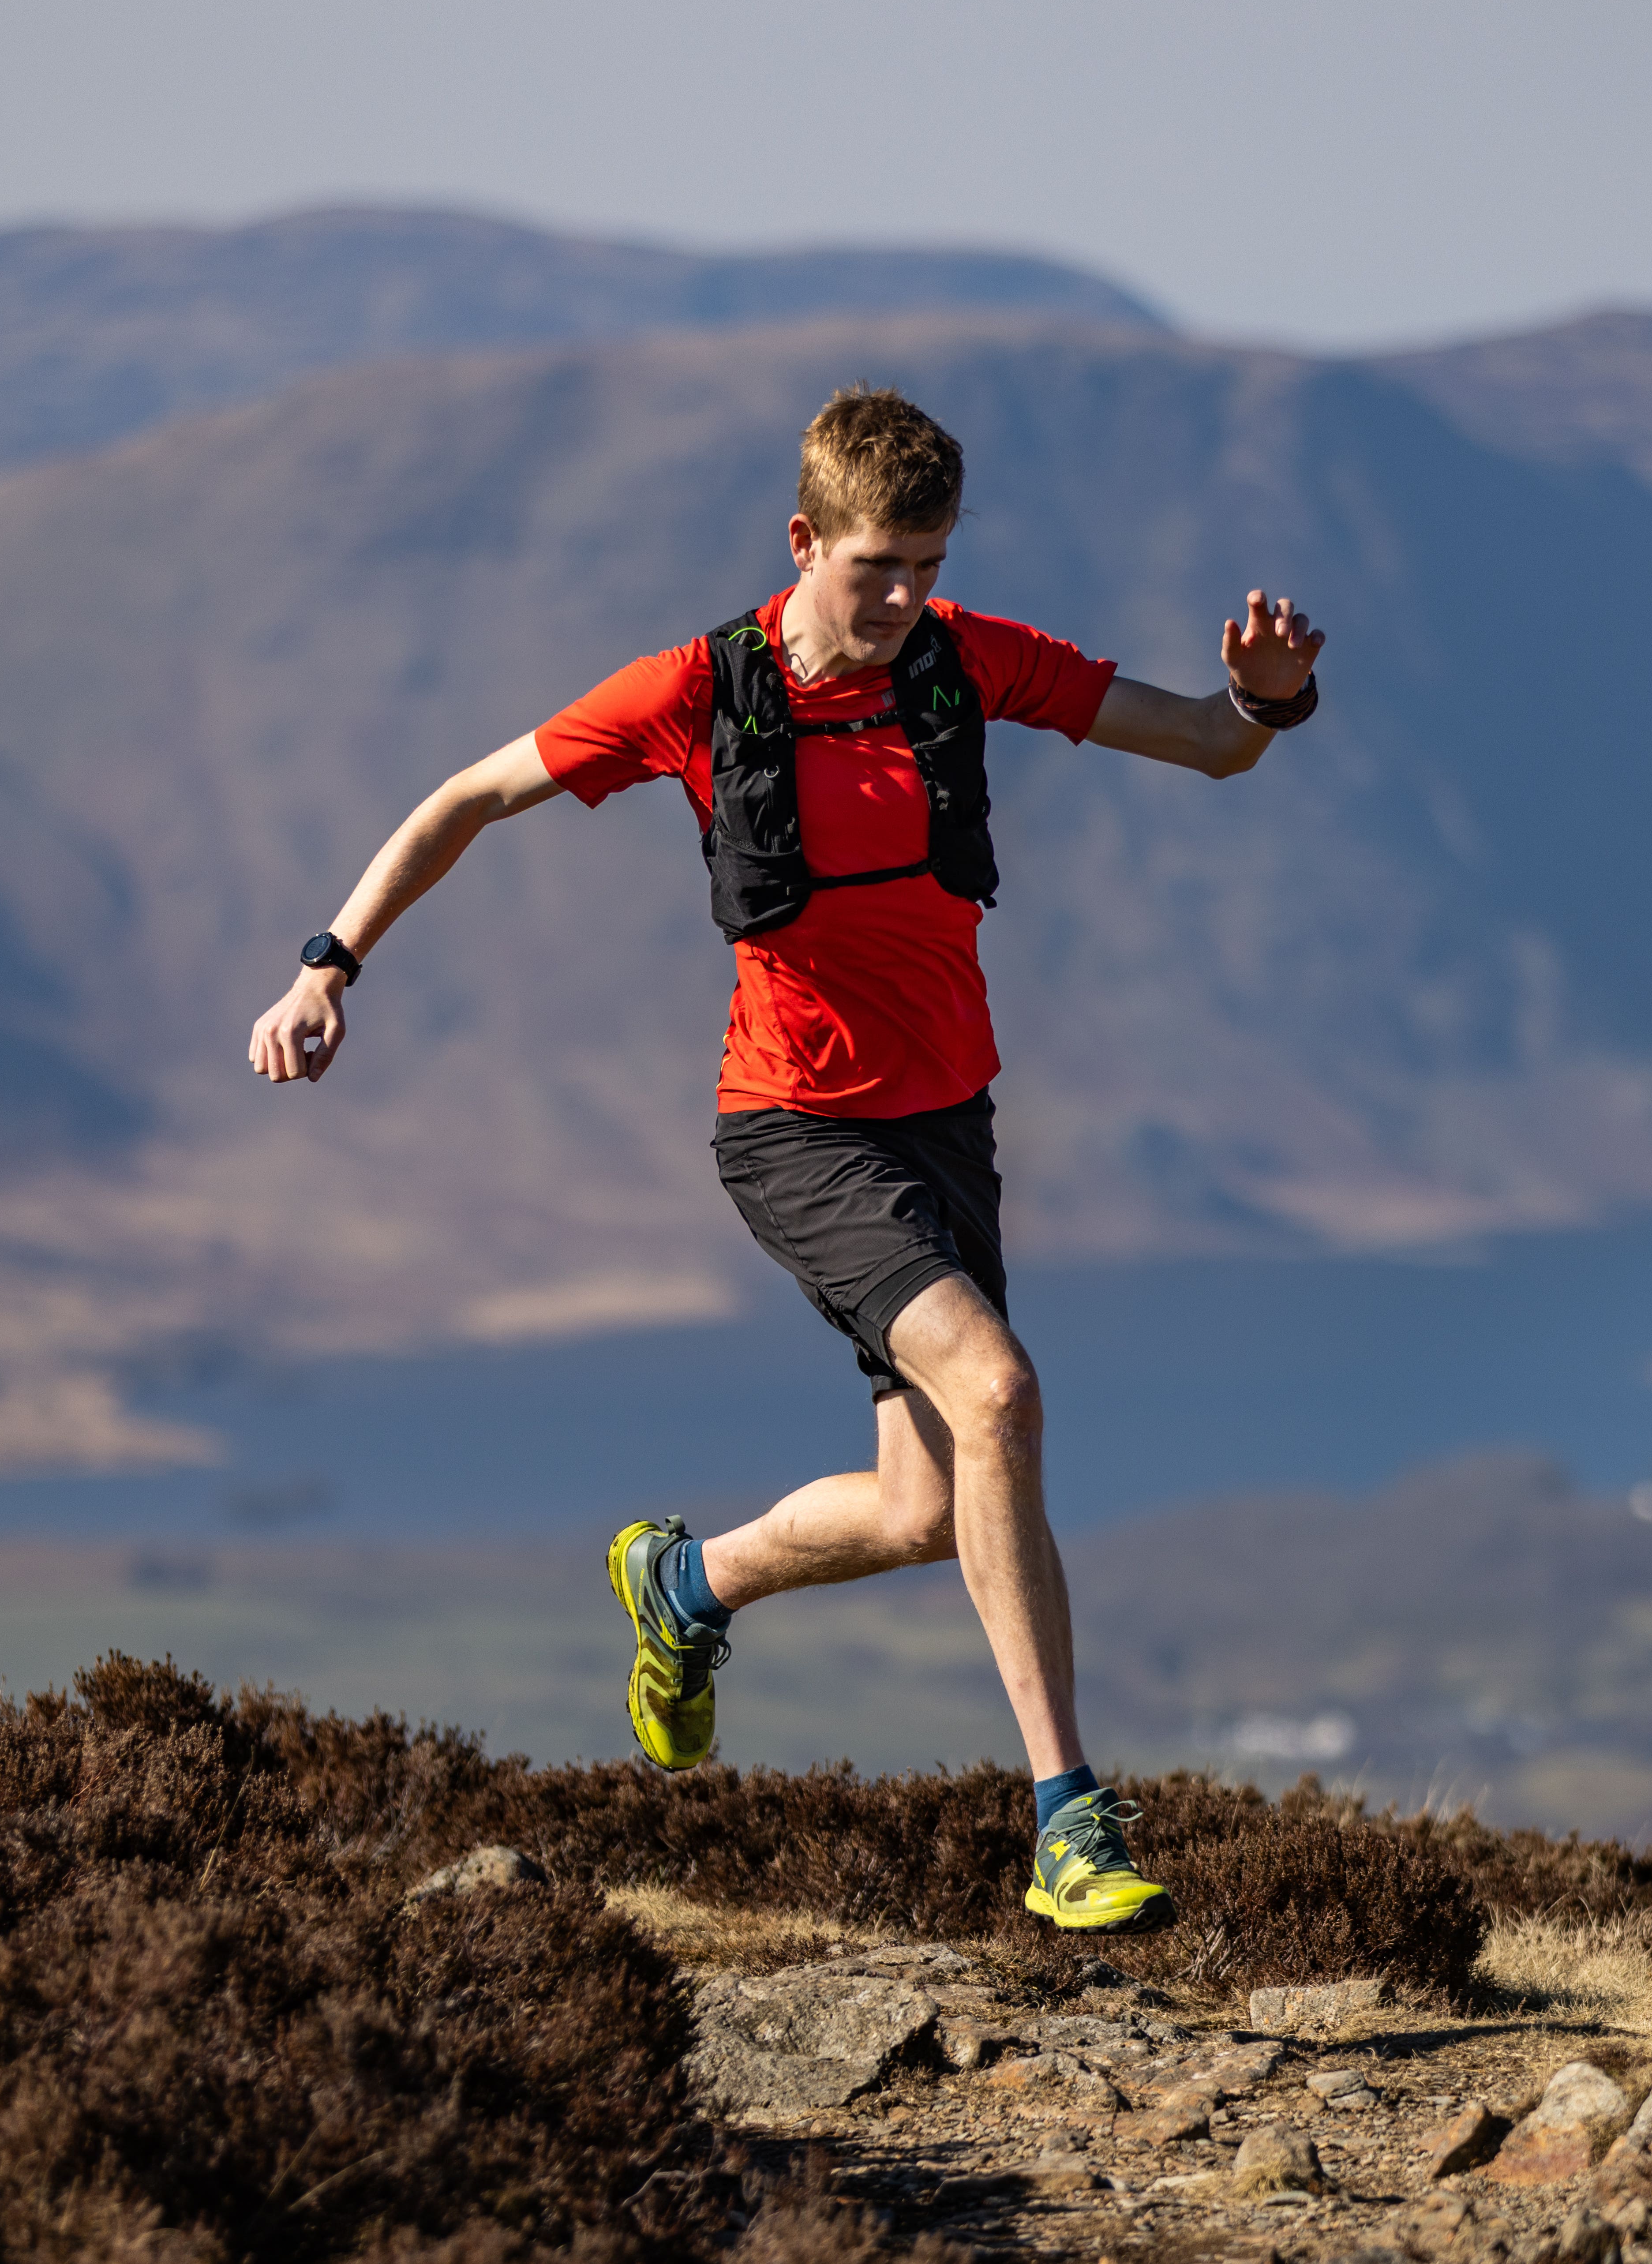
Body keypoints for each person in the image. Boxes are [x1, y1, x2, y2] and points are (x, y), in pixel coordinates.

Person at [248, 386, 1324, 1931]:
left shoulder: (969, 661)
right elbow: (471, 797)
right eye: (877, 566)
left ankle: (684, 1588)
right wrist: (328, 962)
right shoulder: (699, 690)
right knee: (1002, 1389)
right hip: (798, 1126)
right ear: (805, 541)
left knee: (921, 1511)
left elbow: (1209, 748)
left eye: (928, 567)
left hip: (948, 1118)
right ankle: (1069, 1819)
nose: (903, 600)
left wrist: (1268, 705)